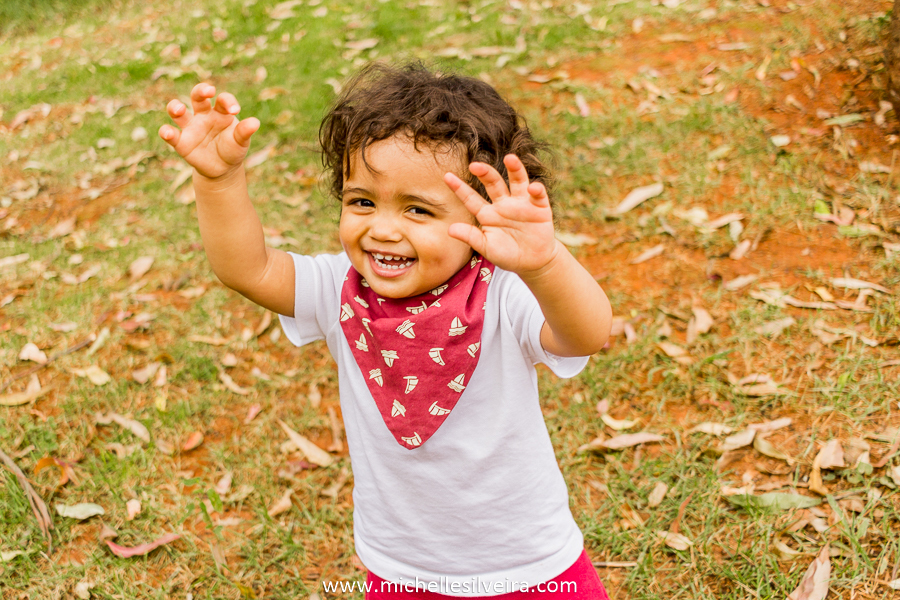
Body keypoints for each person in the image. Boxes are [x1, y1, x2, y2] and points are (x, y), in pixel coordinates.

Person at [159, 62, 613, 599]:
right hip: (402, 569)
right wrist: (219, 180)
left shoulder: (502, 293)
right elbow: (246, 269)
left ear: (483, 220)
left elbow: (586, 335)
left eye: (418, 210)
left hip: (529, 567)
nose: (382, 228)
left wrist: (544, 265)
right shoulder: (338, 291)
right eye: (363, 202)